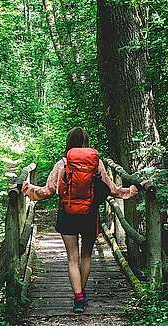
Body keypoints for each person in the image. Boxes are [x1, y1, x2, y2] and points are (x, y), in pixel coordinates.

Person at [22, 127, 139, 313]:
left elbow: (48, 191)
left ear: (69, 142)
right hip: (90, 214)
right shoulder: (96, 163)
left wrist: (28, 189)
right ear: (87, 142)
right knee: (86, 256)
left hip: (67, 214)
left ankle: (78, 297)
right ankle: (81, 293)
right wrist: (131, 190)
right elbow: (112, 189)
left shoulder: (62, 163)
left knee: (71, 258)